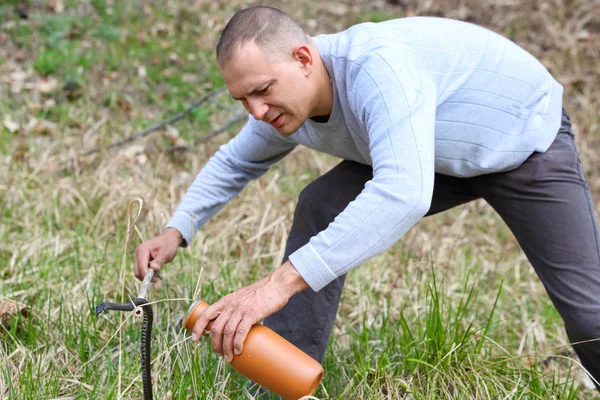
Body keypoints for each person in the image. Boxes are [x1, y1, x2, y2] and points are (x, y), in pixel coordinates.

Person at [134, 5, 600, 394]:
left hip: (519, 143)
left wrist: (276, 285)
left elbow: (403, 193)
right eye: (243, 99)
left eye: (262, 91)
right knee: (322, 205)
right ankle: (281, 381)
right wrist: (178, 228)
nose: (256, 112)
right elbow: (235, 161)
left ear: (303, 58)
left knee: (589, 314)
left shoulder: (377, 72)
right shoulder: (285, 104)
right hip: (426, 153)